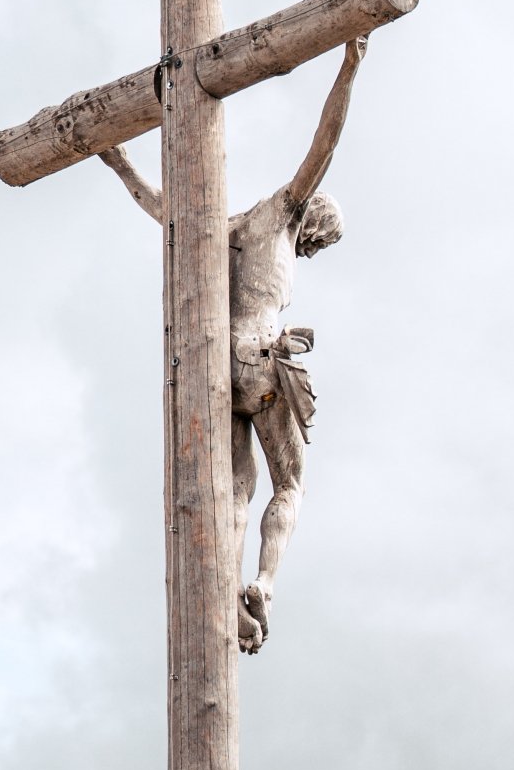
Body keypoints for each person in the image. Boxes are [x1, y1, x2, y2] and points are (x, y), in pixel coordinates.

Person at [100, 35, 367, 653]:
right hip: (263, 362)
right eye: (317, 244)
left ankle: (226, 593)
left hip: (215, 364)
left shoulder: (217, 227)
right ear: (315, 223)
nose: (310, 252)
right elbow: (325, 142)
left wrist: (118, 163)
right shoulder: (286, 212)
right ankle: (264, 583)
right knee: (290, 485)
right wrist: (349, 66)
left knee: (236, 488)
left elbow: (159, 207)